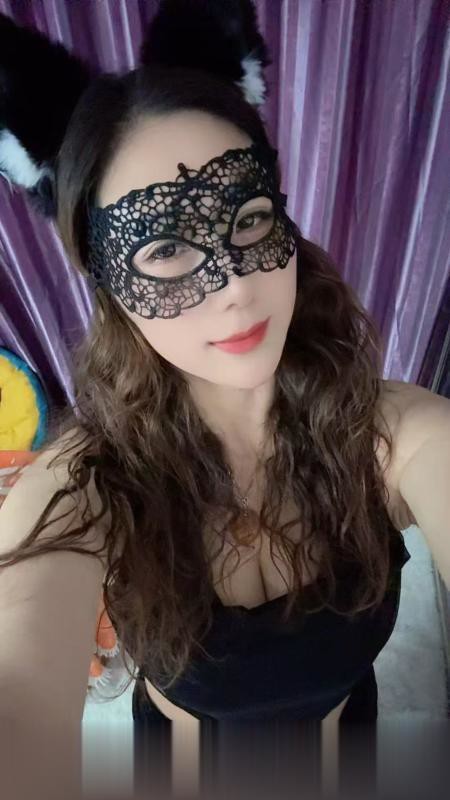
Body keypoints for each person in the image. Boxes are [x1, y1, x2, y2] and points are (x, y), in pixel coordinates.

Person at [0, 2, 419, 797]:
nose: (234, 288)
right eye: (165, 247)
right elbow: (17, 684)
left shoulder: (389, 434)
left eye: (249, 218)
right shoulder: (83, 489)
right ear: (109, 283)